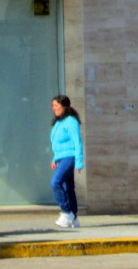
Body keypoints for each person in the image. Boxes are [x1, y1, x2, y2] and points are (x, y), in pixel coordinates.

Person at [50, 94, 84, 229]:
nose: (53, 109)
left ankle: (65, 212)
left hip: (70, 157)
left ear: (64, 106)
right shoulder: (59, 122)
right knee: (68, 187)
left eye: (56, 106)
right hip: (62, 157)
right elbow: (57, 143)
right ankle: (74, 217)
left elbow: (77, 141)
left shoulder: (71, 121)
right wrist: (55, 158)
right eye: (52, 106)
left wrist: (79, 160)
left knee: (55, 182)